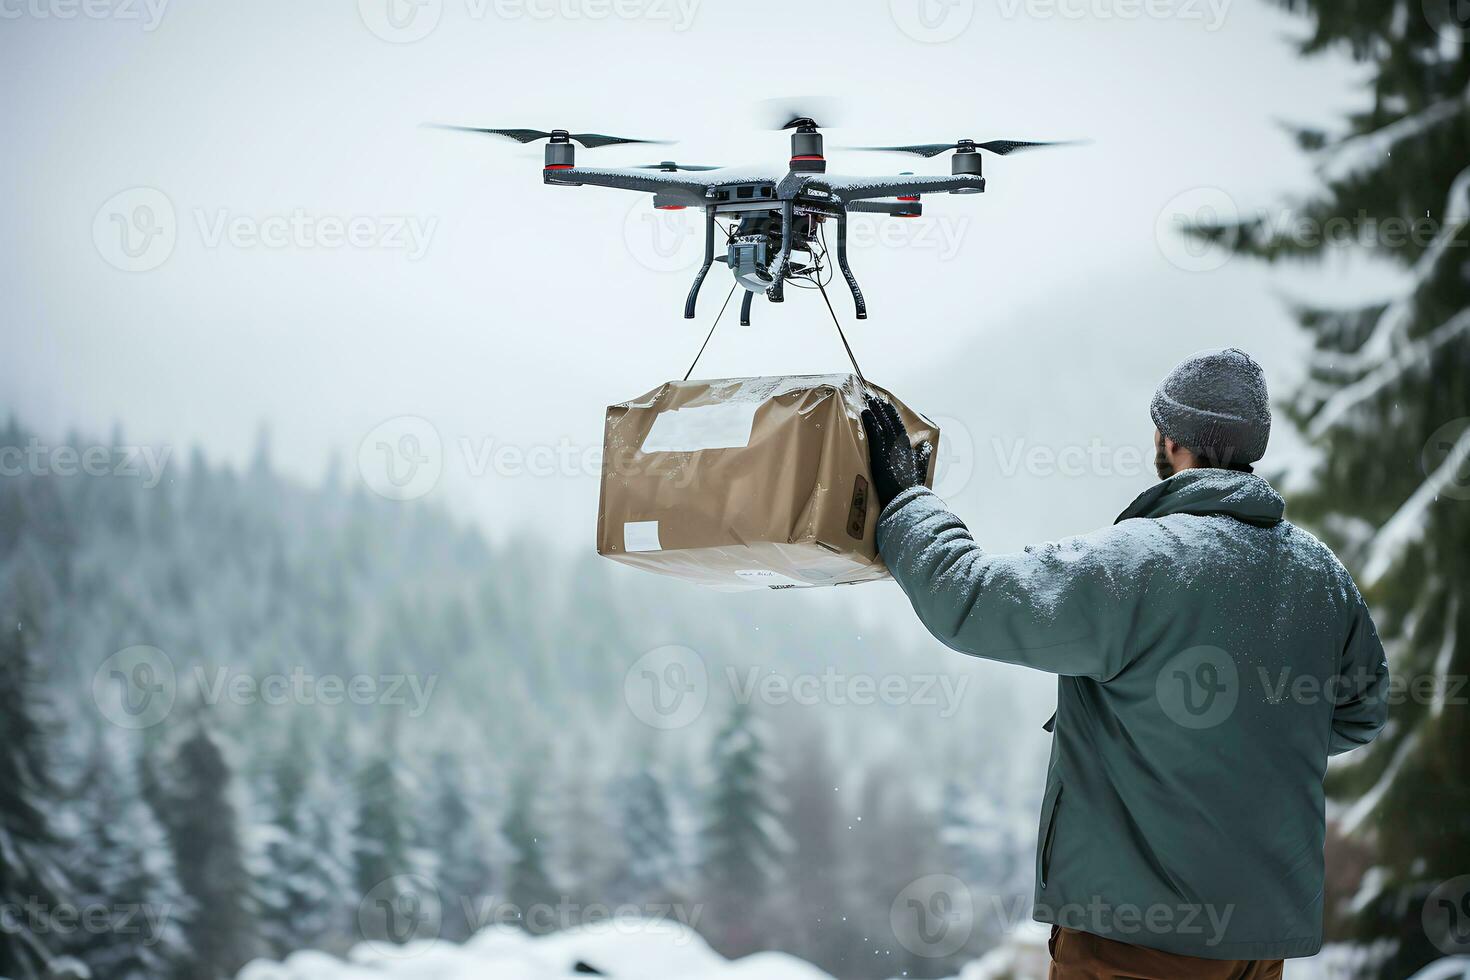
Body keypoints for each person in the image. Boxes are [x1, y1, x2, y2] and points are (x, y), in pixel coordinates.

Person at [862, 348, 1389, 980]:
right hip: (1258, 947)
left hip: (1135, 944)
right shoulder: (1318, 575)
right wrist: (1248, 732)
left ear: (1168, 440)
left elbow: (968, 598)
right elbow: (1362, 712)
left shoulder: (1139, 564)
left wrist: (906, 499)